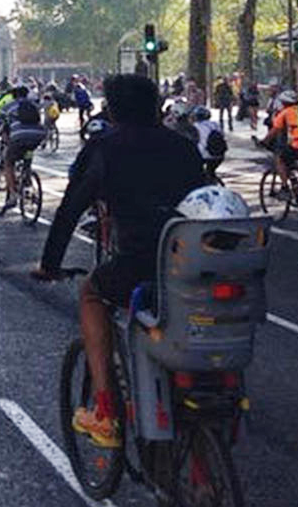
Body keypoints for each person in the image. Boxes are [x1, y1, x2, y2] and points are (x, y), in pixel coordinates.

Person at [32, 74, 206, 446]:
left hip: (139, 261)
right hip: (193, 262)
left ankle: (106, 411)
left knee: (92, 294)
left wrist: (50, 264)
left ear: (111, 110)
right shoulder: (184, 147)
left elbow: (69, 210)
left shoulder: (104, 147)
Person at [0, 85, 46, 210]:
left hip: (19, 137)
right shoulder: (33, 105)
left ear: (13, 96)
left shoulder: (8, 107)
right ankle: (28, 181)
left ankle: (13, 195)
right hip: (38, 136)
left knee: (8, 161)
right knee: (27, 154)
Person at [259, 90, 298, 188]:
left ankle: (285, 187)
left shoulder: (286, 112)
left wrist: (264, 141)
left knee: (280, 159)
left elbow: (274, 130)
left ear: (283, 103)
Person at [190, 105, 227, 181]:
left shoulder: (195, 126)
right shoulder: (215, 124)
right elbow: (222, 135)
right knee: (211, 171)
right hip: (219, 154)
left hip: (203, 155)